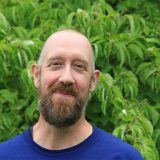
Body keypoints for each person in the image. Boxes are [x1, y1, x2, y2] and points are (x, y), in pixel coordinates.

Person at [0, 29, 144, 160]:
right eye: (56, 64)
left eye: (79, 66)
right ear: (37, 75)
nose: (67, 78)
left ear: (93, 81)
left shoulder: (123, 157)